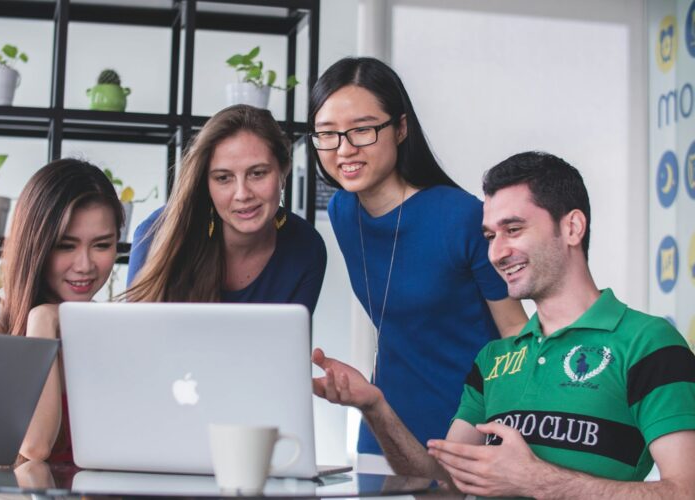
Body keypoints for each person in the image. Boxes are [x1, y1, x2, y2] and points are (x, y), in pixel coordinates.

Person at [312, 151, 695, 498]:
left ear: (573, 228)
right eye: (490, 236)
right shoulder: (493, 359)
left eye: (514, 230)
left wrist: (536, 480)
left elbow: (686, 490)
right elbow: (444, 489)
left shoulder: (649, 343)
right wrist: (375, 406)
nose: (496, 252)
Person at [308, 57, 527, 469]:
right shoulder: (342, 211)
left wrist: (508, 434)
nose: (344, 149)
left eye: (362, 130)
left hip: (469, 429)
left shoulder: (460, 216)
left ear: (401, 127)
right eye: (328, 134)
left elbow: (515, 333)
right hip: (384, 426)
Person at [0, 159, 123, 462]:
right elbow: (34, 446)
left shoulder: (102, 326)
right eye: (66, 246)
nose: (85, 266)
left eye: (101, 245)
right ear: (36, 245)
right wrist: (42, 322)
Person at [126, 104, 327, 313]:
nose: (242, 194)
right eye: (223, 178)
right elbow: (135, 338)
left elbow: (290, 343)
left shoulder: (307, 247)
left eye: (257, 173)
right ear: (207, 184)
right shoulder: (157, 234)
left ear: (283, 172)